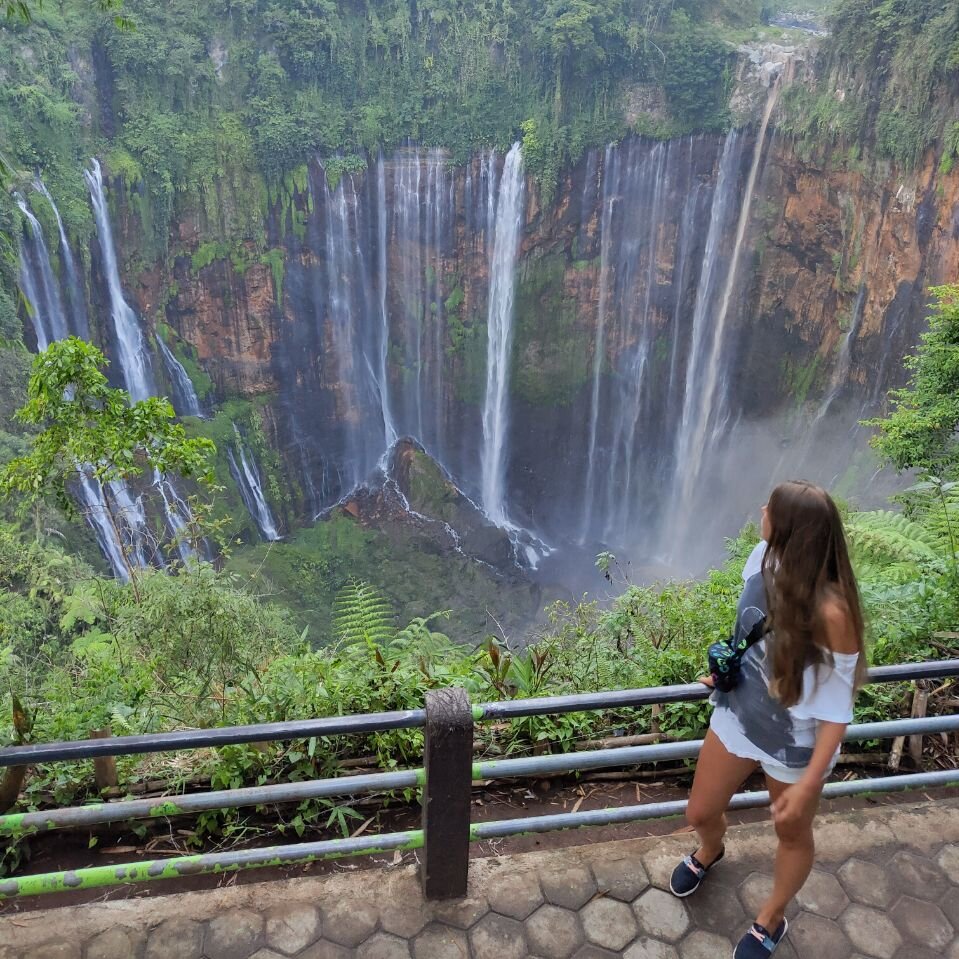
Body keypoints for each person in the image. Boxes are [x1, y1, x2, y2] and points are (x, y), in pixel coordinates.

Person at [669, 480, 866, 959]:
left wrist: (809, 782)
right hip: (740, 714)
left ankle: (771, 918)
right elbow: (752, 625)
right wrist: (730, 668)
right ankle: (711, 849)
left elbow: (837, 710)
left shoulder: (833, 612)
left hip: (796, 743)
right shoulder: (761, 557)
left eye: (770, 509)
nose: (762, 509)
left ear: (791, 531)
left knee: (792, 834)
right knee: (699, 812)